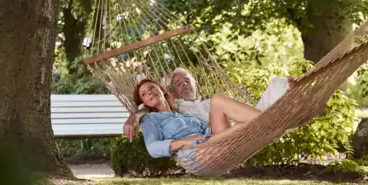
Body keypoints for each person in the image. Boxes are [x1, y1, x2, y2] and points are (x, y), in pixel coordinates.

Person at [123, 67, 295, 141]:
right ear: (172, 91)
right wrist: (133, 117)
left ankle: (296, 95)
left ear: (195, 84)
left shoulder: (207, 103)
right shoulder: (174, 107)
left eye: (186, 80)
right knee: (218, 101)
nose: (183, 83)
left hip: (242, 126)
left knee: (277, 82)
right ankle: (276, 119)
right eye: (177, 83)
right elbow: (145, 107)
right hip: (218, 139)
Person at [134, 79, 262, 159]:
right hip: (199, 153)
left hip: (212, 141)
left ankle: (263, 119)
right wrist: (182, 142)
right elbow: (152, 148)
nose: (149, 92)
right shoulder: (149, 119)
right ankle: (264, 119)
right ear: (144, 102)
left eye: (152, 87)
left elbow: (206, 131)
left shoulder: (182, 114)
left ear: (162, 90)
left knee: (220, 105)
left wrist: (211, 121)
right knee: (219, 102)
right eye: (144, 94)